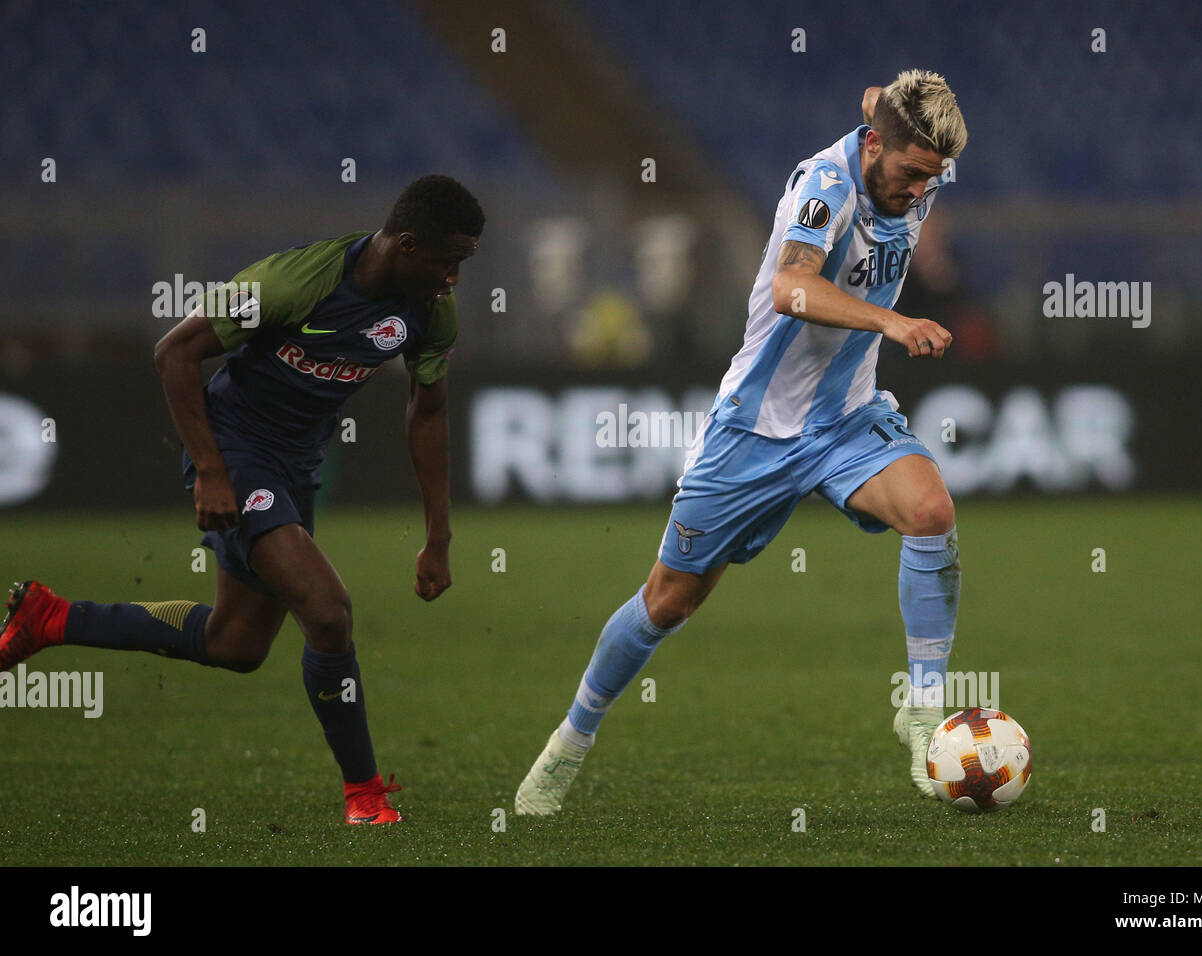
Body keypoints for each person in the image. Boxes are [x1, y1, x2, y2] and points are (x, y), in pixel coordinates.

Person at [515, 70, 967, 815]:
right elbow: (793, 288)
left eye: (935, 178)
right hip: (754, 432)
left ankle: (922, 709)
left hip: (846, 418)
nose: (921, 190)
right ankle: (570, 741)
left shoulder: (911, 150)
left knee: (930, 512)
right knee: (669, 601)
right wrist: (891, 321)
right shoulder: (828, 186)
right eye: (913, 174)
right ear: (876, 146)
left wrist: (889, 99)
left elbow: (874, 98)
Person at [1, 174, 484, 825]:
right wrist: (211, 471)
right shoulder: (293, 283)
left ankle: (51, 617)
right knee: (329, 610)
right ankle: (364, 794)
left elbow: (427, 412)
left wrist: (440, 536)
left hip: (294, 464)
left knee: (236, 643)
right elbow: (175, 352)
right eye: (447, 260)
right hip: (234, 450)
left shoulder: (427, 311)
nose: (453, 277)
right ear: (405, 246)